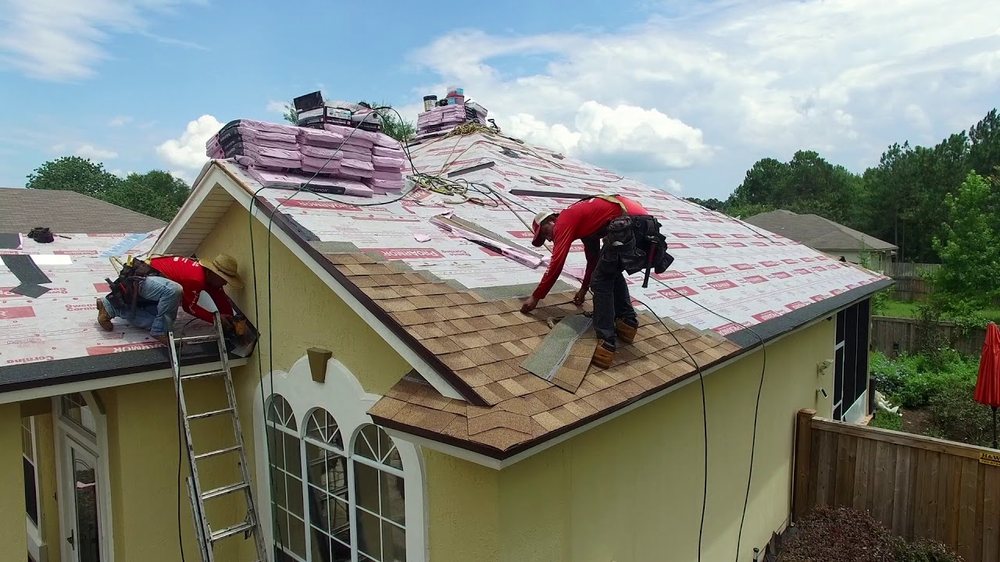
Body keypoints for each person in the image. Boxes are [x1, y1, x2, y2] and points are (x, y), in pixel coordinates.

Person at [521, 195, 649, 368]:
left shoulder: (565, 219)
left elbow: (557, 264)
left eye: (545, 232)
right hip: (641, 224)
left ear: (552, 220)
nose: (549, 239)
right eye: (545, 239)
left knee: (601, 281)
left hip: (630, 222)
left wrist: (536, 297)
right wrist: (583, 289)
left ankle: (606, 343)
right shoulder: (588, 225)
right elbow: (593, 262)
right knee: (609, 270)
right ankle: (627, 324)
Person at [96, 254, 244, 345]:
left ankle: (109, 307)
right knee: (174, 291)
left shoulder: (209, 279)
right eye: (224, 279)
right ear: (214, 273)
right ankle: (159, 331)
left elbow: (219, 296)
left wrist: (231, 319)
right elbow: (189, 308)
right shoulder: (197, 277)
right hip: (141, 280)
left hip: (149, 286)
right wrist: (215, 319)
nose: (225, 283)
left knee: (153, 320)